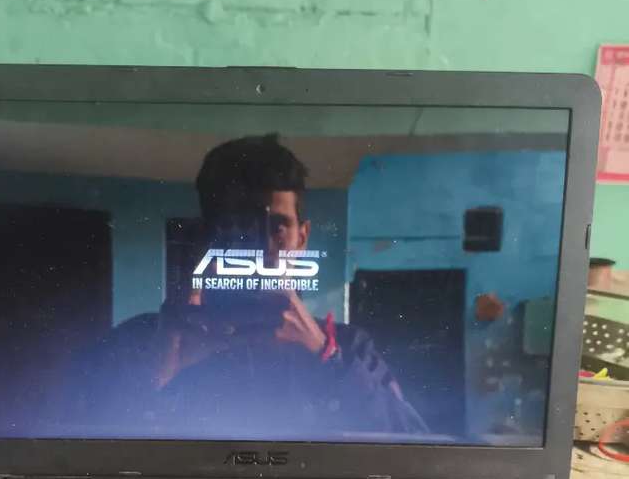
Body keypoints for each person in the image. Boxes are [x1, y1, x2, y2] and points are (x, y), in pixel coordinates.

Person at [73, 134, 426, 440]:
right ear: (208, 236)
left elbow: (415, 446)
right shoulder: (146, 339)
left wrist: (325, 356)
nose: (261, 246)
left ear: (302, 237)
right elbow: (74, 447)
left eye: (277, 227)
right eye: (237, 228)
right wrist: (162, 364)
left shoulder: (347, 348)